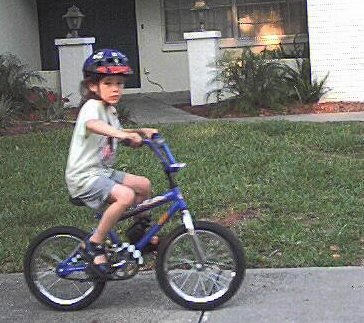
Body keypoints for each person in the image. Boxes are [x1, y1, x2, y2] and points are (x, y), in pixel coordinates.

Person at [65, 49, 157, 277]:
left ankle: (138, 235)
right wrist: (122, 136)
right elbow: (94, 125)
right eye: (108, 83)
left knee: (143, 185)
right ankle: (95, 243)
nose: (115, 88)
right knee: (126, 196)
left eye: (119, 83)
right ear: (93, 86)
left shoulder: (109, 109)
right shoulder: (91, 108)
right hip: (84, 177)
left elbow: (115, 131)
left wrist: (138, 132)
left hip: (102, 171)